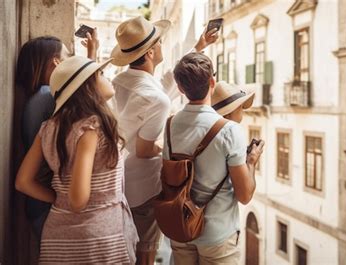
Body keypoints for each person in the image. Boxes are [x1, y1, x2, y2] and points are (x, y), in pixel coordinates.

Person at [110, 16, 218, 264]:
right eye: (159, 42)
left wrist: (198, 48)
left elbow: (163, 85)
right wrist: (172, 152)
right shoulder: (155, 99)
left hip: (121, 180)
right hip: (144, 189)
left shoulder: (120, 82)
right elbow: (145, 149)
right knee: (144, 254)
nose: (162, 45)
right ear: (149, 53)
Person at [15, 56, 138, 264]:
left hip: (57, 236)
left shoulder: (48, 127)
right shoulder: (91, 129)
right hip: (97, 237)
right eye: (100, 74)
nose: (105, 77)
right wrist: (69, 198)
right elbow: (78, 201)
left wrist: (57, 198)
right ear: (87, 87)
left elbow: (23, 182)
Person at [165, 52, 264, 264]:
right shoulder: (230, 131)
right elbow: (245, 195)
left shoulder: (169, 125)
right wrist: (252, 162)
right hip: (216, 235)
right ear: (212, 82)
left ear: (180, 88)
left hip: (180, 227)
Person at [14, 32, 99, 242]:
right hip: (46, 202)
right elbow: (94, 95)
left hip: (40, 203)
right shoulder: (47, 97)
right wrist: (60, 199)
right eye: (69, 55)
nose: (72, 60)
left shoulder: (39, 96)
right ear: (56, 62)